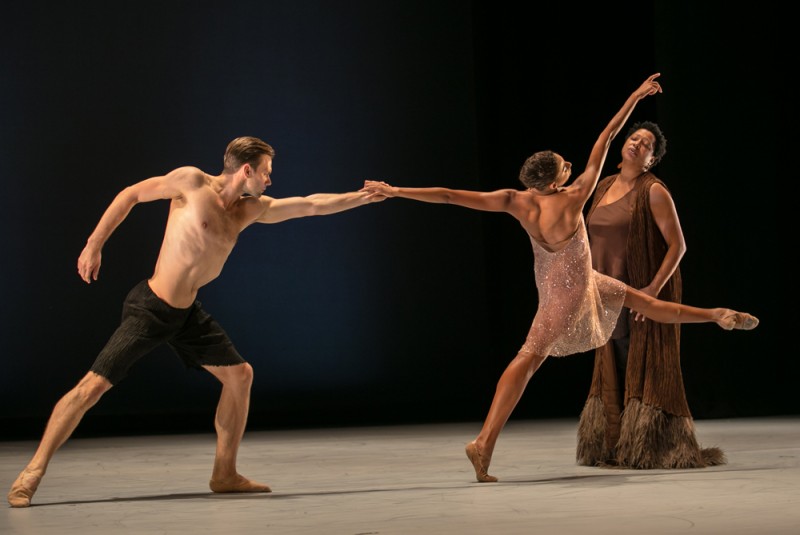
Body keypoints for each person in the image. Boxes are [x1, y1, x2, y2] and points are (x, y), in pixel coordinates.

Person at [361, 73, 758, 483]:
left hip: (578, 283)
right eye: (566, 167)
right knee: (529, 357)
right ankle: (483, 442)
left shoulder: (514, 201)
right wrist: (636, 96)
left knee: (647, 304)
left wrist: (395, 190)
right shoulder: (575, 196)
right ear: (555, 182)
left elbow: (448, 194)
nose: (572, 167)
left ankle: (718, 314)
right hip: (568, 297)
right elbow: (606, 137)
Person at [7, 136, 386, 507]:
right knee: (92, 387)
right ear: (247, 169)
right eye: (266, 173)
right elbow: (131, 194)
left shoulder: (248, 209)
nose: (270, 181)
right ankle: (32, 473)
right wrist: (94, 243)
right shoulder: (191, 183)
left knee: (240, 376)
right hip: (152, 309)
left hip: (187, 315)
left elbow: (311, 206)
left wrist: (365, 197)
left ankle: (225, 474)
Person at [576, 121, 724, 468]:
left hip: (639, 289)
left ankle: (649, 444)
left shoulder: (654, 191)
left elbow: (678, 245)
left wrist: (653, 291)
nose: (637, 144)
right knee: (611, 362)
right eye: (634, 138)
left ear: (651, 160)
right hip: (604, 292)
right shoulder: (603, 186)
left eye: (646, 145)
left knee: (637, 360)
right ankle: (613, 443)